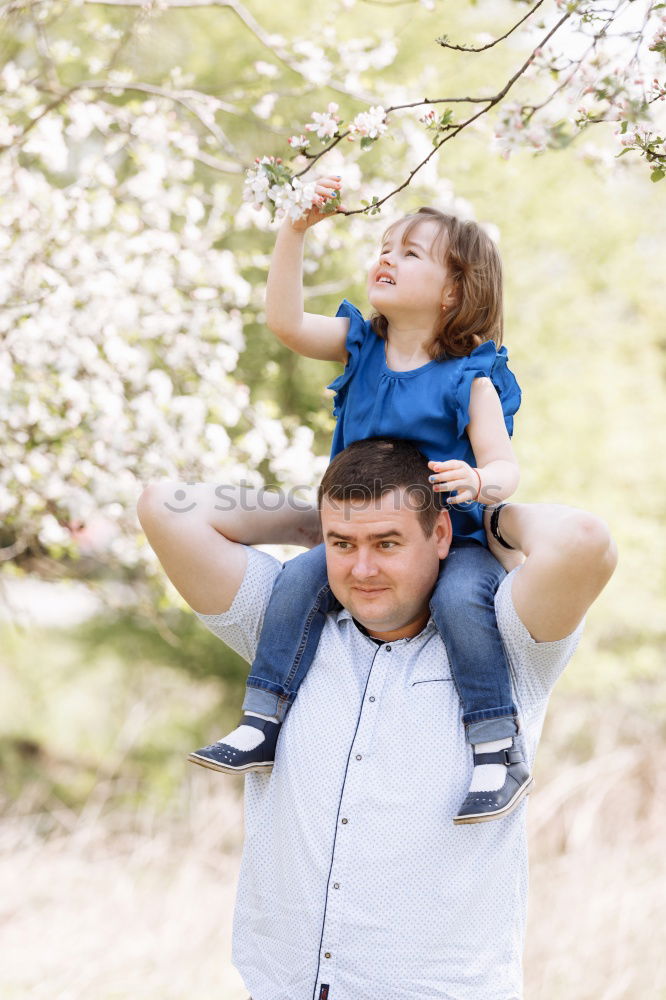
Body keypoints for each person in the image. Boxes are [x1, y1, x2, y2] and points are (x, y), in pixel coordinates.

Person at [136, 437, 617, 1000]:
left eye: (387, 542)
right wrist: (327, 517)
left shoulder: (507, 644)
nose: (362, 569)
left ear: (438, 535)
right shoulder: (282, 629)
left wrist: (484, 517)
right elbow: (165, 503)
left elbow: (584, 540)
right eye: (343, 544)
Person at [189, 177, 528, 823]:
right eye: (384, 247)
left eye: (411, 253)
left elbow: (504, 464)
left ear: (455, 288)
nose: (387, 258)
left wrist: (482, 484)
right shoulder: (359, 345)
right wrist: (293, 231)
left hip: (450, 539)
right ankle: (263, 721)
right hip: (357, 530)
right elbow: (284, 322)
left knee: (462, 601)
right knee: (297, 582)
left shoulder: (471, 377)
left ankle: (495, 745)